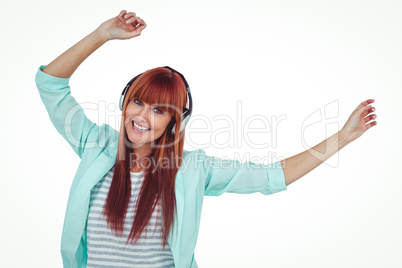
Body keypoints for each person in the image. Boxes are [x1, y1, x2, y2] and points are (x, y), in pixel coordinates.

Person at [35, 9, 377, 268]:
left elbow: (272, 175)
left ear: (175, 121)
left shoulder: (192, 168)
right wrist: (102, 34)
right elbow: (51, 84)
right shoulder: (96, 146)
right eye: (137, 102)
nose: (141, 116)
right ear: (125, 102)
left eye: (158, 110)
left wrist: (343, 138)